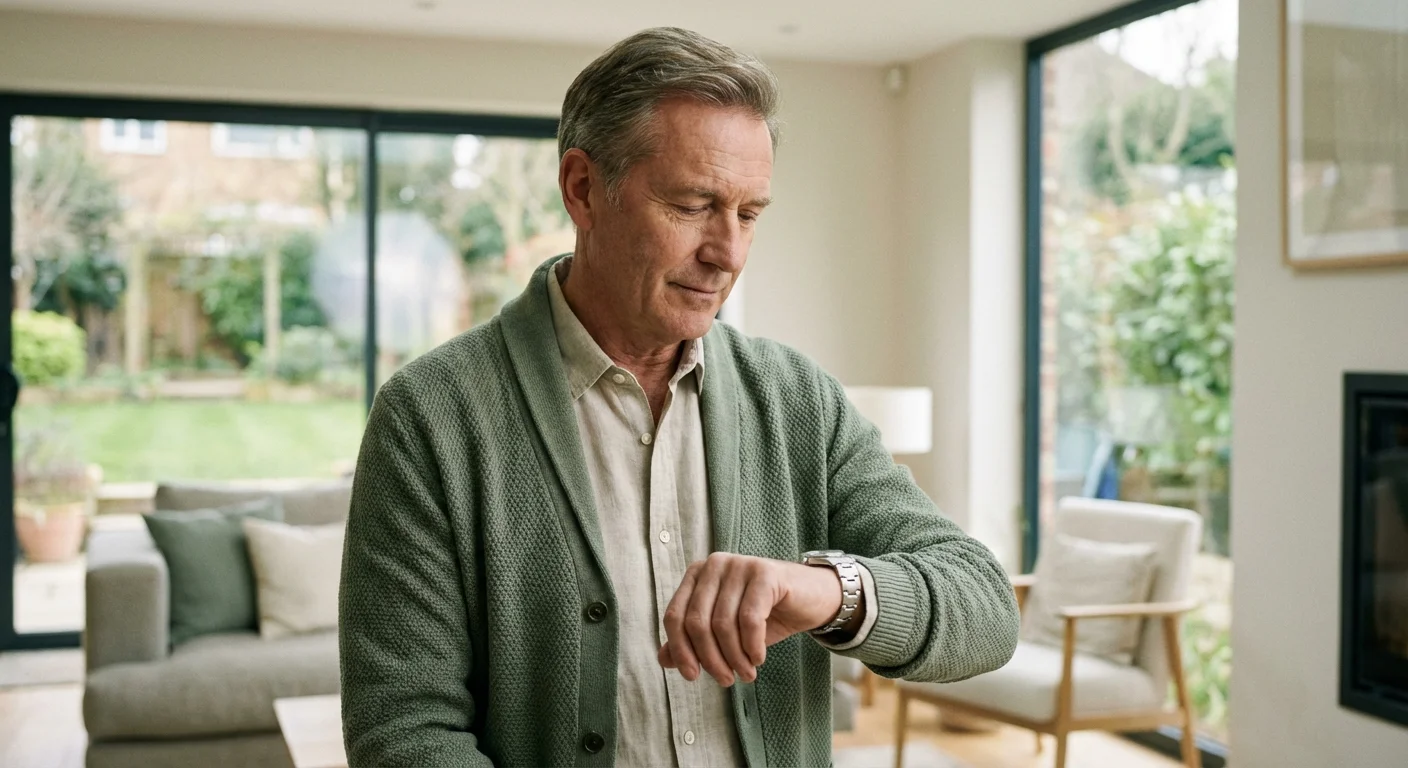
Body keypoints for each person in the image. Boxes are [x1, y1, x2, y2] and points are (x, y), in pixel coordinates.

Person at [339, 26, 1020, 768]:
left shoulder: (798, 401)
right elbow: (402, 731)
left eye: (750, 213)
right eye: (694, 205)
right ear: (583, 188)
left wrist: (829, 590)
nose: (727, 252)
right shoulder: (430, 415)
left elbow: (984, 608)